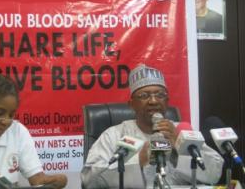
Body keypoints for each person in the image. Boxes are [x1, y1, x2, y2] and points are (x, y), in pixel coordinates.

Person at [81, 64, 224, 188]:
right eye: (144, 96)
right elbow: (89, 181)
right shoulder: (114, 135)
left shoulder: (180, 131)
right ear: (132, 104)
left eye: (160, 95)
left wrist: (178, 143)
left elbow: (215, 173)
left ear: (167, 102)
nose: (153, 101)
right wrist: (138, 160)